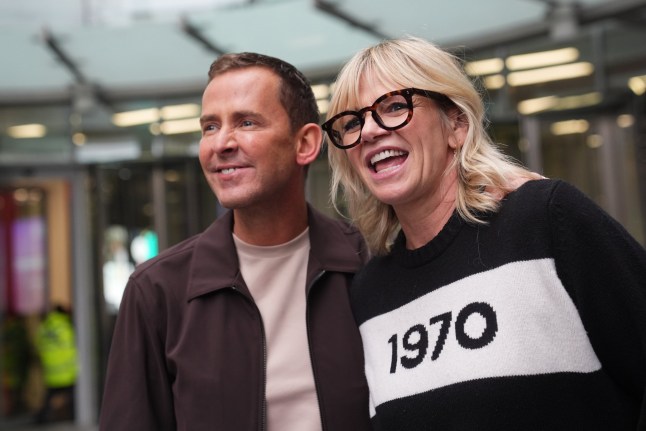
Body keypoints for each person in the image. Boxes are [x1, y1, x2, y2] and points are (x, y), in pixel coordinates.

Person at [324, 36, 646, 430]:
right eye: (352, 122)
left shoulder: (544, 218)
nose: (370, 131)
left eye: (394, 106)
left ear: (456, 124)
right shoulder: (370, 290)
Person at [100, 52, 371, 431]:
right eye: (210, 127)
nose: (221, 143)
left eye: (246, 122)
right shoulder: (157, 291)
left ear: (305, 143)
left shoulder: (368, 264)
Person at [34, 305, 78, 424]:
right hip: (67, 371)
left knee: (49, 397)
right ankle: (75, 417)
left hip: (51, 372)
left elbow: (39, 347)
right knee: (74, 397)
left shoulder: (44, 327)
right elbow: (73, 348)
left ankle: (40, 419)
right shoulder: (65, 327)